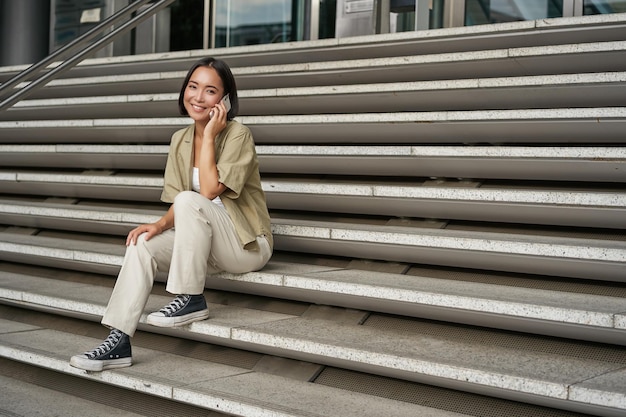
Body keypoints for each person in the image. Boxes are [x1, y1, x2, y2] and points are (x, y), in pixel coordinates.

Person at [70, 57, 273, 372]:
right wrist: (159, 225)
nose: (197, 97)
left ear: (225, 100)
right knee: (142, 245)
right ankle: (119, 340)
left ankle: (191, 296)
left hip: (245, 245)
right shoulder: (180, 139)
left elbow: (205, 192)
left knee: (191, 199)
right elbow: (182, 203)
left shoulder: (238, 135)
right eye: (193, 87)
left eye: (209, 91)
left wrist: (208, 137)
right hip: (204, 244)